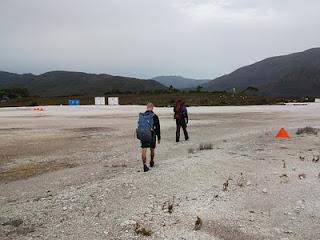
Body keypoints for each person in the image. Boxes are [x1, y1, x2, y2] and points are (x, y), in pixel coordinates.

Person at [136, 102, 161, 172]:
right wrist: (159, 137)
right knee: (152, 149)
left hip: (143, 133)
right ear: (152, 107)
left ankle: (144, 165)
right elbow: (158, 128)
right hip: (151, 134)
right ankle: (151, 161)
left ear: (147, 107)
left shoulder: (142, 116)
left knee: (144, 150)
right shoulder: (154, 116)